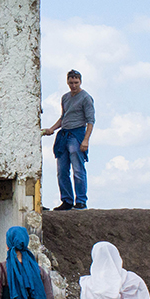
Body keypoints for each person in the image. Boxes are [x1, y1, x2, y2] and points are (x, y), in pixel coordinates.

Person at [42, 69, 94, 210]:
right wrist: (52, 129)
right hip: (64, 135)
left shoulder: (86, 98)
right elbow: (63, 117)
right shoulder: (65, 97)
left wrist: (86, 140)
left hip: (77, 134)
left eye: (76, 82)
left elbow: (90, 121)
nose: (73, 85)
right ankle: (67, 200)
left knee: (78, 169)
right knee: (62, 170)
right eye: (71, 82)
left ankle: (81, 200)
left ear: (80, 82)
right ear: (67, 82)